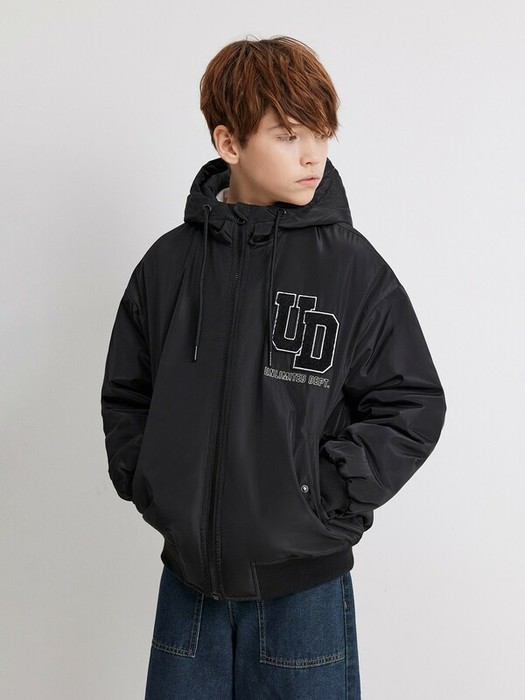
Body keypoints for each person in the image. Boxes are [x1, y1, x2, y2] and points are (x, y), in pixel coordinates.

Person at [101, 36, 447, 700]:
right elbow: (128, 394)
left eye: (320, 133)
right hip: (188, 594)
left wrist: (321, 493)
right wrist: (154, 483)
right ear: (229, 143)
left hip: (302, 598)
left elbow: (411, 404)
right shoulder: (168, 266)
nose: (312, 154)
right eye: (288, 135)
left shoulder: (349, 268)